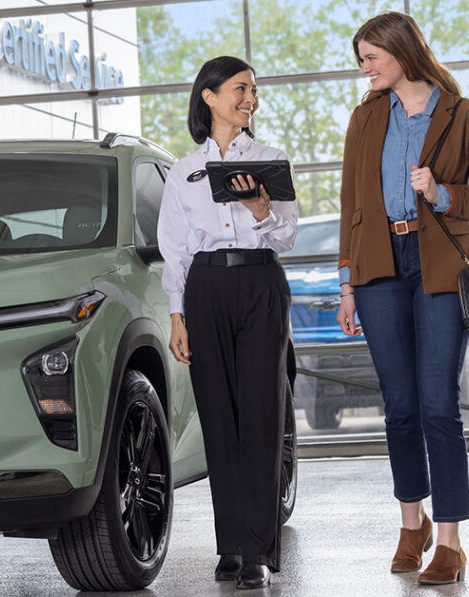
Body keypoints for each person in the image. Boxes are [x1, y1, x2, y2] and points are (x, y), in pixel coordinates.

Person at [336, 12, 469, 585]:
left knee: (438, 405)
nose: (364, 68)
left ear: (400, 52)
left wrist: (441, 192)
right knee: (400, 406)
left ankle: (451, 542)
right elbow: (350, 206)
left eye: (370, 57)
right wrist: (346, 284)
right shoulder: (363, 119)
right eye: (361, 58)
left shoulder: (467, 116)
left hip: (440, 269)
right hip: (379, 269)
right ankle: (413, 524)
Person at [157, 56, 298, 589]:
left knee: (262, 414)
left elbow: (287, 236)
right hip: (206, 289)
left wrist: (262, 208)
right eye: (241, 89)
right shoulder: (183, 171)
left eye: (254, 91)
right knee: (218, 417)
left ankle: (259, 551)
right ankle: (230, 546)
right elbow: (175, 250)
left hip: (260, 283)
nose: (250, 100)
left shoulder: (270, 159)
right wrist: (177, 314)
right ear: (209, 97)